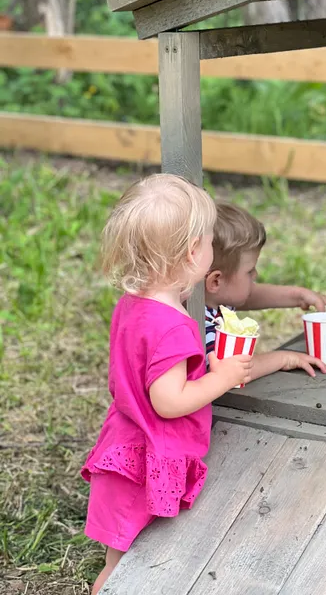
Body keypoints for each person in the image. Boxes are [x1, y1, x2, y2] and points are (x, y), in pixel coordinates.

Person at [81, 175, 253, 594]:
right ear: (195, 253)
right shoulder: (174, 325)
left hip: (123, 444)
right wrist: (222, 377)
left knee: (121, 560)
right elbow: (169, 401)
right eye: (211, 240)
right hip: (144, 459)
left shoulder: (132, 303)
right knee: (124, 569)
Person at [205, 203, 326, 379]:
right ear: (216, 281)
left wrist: (297, 295)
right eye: (249, 271)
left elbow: (249, 296)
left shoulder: (213, 296)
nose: (256, 275)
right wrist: (284, 358)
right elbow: (229, 369)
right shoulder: (200, 325)